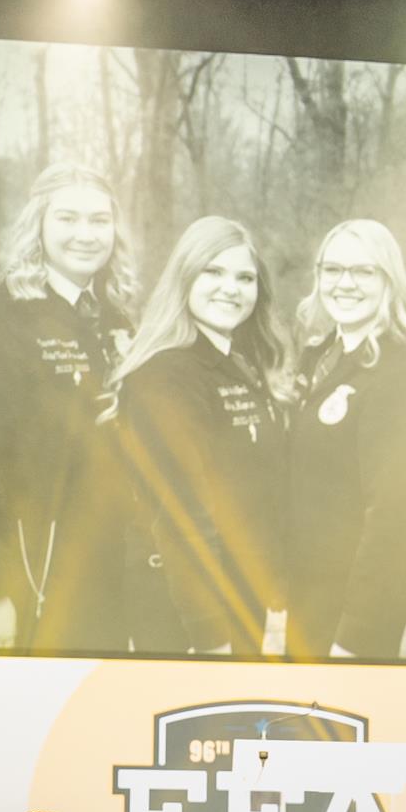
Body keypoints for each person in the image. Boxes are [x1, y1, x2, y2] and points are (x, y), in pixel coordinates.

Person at [0, 164, 137, 655]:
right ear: (38, 225)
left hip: (107, 567)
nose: (85, 234)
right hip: (31, 569)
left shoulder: (117, 318)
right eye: (67, 218)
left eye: (99, 220)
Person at [104, 215, 291, 655]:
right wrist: (210, 637)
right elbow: (183, 513)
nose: (231, 288)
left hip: (240, 591)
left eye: (245, 278)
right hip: (187, 609)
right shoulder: (166, 375)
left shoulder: (237, 363)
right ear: (185, 277)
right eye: (213, 272)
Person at [286, 219, 406, 661]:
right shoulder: (319, 354)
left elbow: (394, 516)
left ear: (388, 281)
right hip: (309, 593)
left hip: (354, 606)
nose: (345, 283)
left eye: (363, 271)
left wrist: (356, 634)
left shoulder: (401, 375)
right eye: (333, 270)